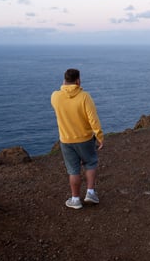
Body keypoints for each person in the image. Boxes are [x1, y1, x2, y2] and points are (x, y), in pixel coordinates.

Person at [51, 68, 104, 209]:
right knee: (90, 163)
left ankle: (75, 200)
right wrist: (99, 136)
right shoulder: (85, 96)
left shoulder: (55, 96)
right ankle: (90, 193)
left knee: (73, 170)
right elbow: (93, 119)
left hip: (66, 140)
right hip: (85, 138)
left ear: (64, 80)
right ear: (78, 81)